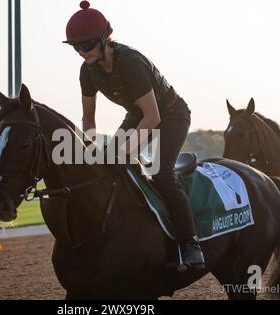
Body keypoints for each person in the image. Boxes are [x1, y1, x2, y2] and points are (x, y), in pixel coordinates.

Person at [63, 1, 205, 271]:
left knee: (161, 172)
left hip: (171, 115)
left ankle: (191, 244)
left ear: (105, 39)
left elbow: (154, 117)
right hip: (137, 114)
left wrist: (125, 151)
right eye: (76, 47)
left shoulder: (129, 62)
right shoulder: (87, 71)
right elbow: (89, 118)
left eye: (87, 45)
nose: (82, 53)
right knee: (105, 165)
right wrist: (90, 147)